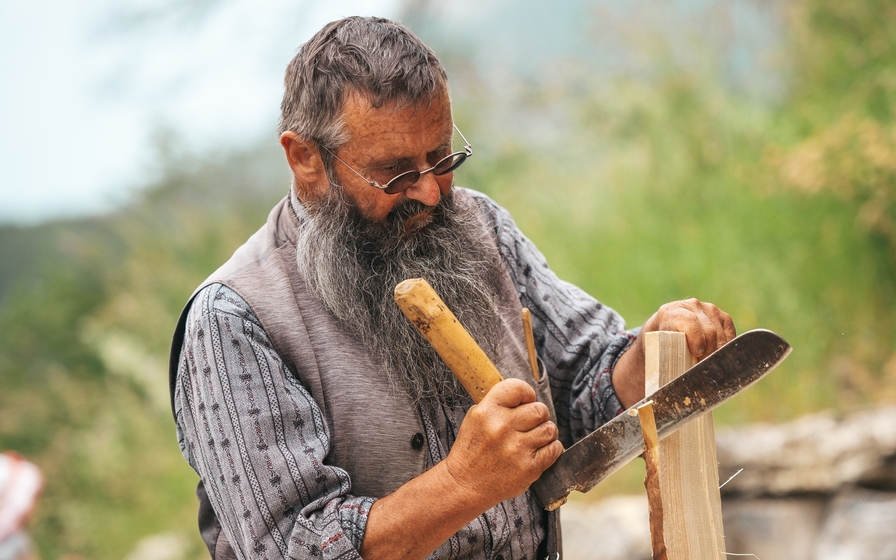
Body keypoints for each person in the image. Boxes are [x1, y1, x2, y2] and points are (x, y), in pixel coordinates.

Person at [169, 16, 736, 560]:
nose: (431, 195)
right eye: (395, 172)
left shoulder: (480, 226)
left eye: (441, 159)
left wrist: (651, 353)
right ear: (305, 159)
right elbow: (288, 548)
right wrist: (465, 482)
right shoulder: (234, 319)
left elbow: (586, 377)